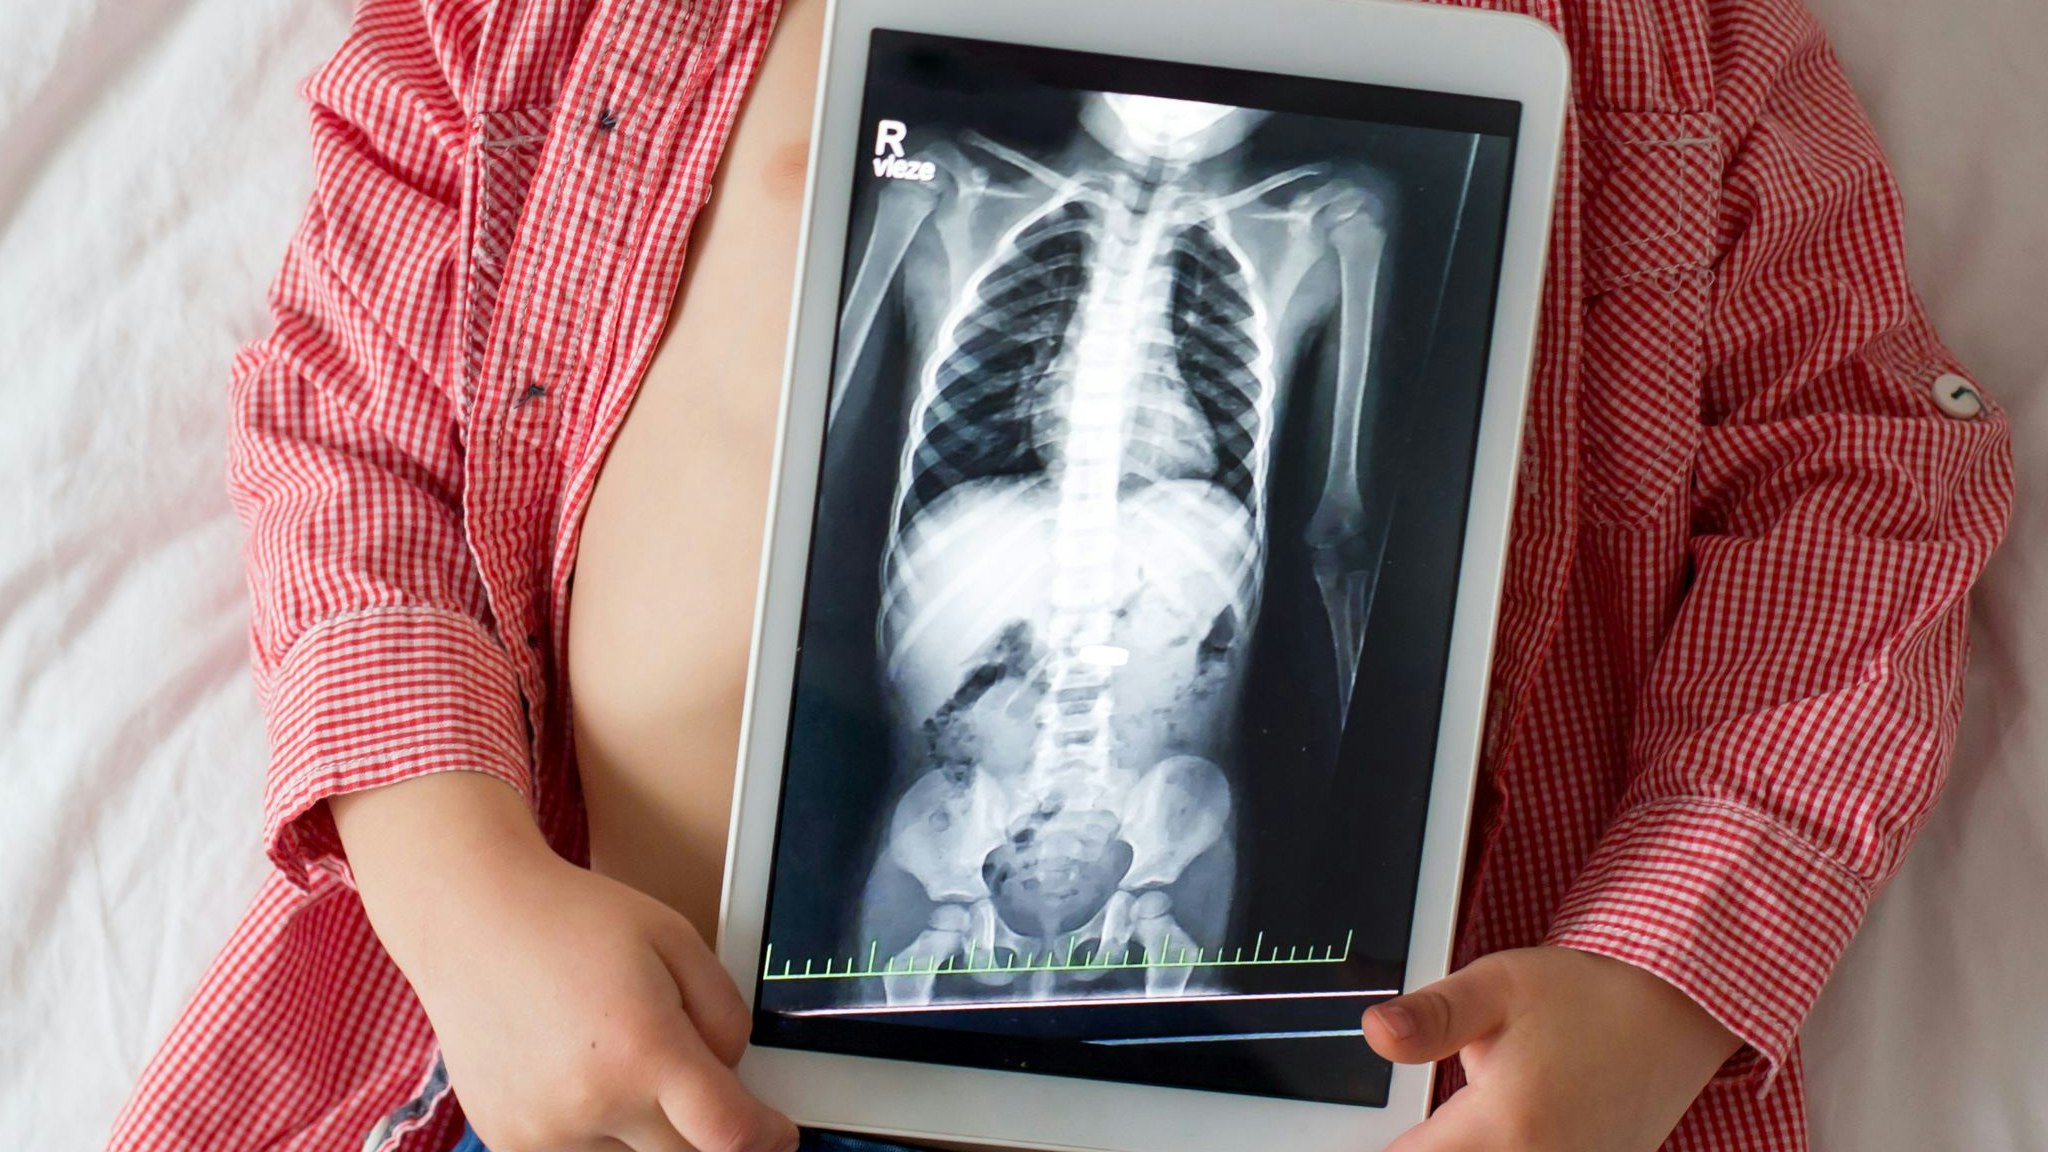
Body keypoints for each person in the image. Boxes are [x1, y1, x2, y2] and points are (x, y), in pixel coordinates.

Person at [109, 0, 2013, 1147]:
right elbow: (350, 416)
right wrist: (457, 887)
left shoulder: (1657, 57)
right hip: (608, 1077)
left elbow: (1857, 485)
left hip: (1386, 1116)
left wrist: (1656, 986)